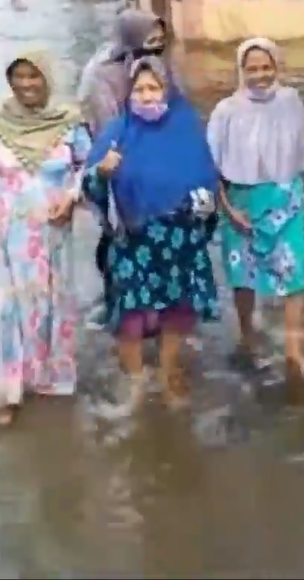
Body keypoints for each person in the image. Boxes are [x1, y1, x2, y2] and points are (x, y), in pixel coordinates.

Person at [0, 50, 91, 426]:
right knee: (6, 307)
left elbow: (87, 168)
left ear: (48, 78)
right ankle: (7, 390)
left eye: (34, 76)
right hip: (5, 234)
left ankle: (49, 380)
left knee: (49, 304)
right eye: (19, 77)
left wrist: (72, 195)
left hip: (51, 230)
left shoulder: (70, 123)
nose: (27, 84)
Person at [83, 55, 221, 410]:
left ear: (168, 90)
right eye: (139, 90)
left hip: (179, 239)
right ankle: (135, 378)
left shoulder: (189, 131)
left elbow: (208, 183)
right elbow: (90, 188)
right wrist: (103, 173)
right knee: (129, 314)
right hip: (132, 240)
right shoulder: (117, 133)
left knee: (177, 310)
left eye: (153, 88)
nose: (146, 96)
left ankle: (167, 371)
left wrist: (201, 214)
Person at [208, 38, 304, 379]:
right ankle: (248, 334)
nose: (260, 75)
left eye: (266, 67)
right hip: (240, 203)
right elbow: (210, 168)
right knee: (243, 275)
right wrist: (228, 210)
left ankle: (295, 351)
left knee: (294, 273)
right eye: (251, 69)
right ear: (241, 71)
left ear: (277, 67)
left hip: (286, 201)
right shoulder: (226, 110)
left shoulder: (291, 101)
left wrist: (288, 180)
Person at [77, 9, 169, 315]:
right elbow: (105, 128)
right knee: (117, 234)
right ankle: (114, 299)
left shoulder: (159, 68)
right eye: (150, 39)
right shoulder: (102, 75)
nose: (156, 45)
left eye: (160, 39)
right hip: (116, 165)